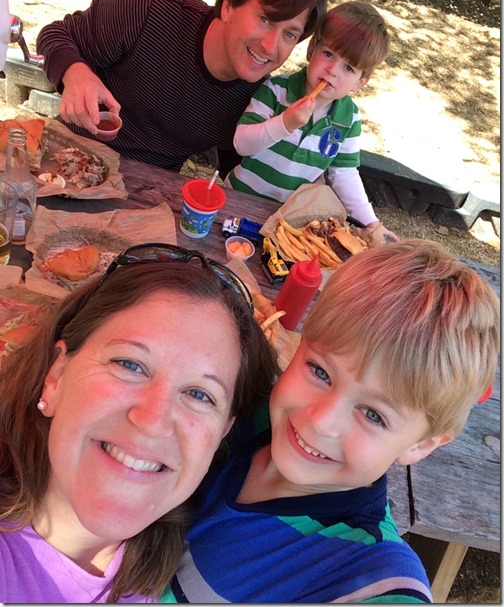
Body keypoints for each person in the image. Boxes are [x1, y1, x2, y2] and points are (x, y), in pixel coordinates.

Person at [161, 239, 500, 603]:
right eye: (320, 371)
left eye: (373, 414)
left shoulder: (368, 577)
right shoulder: (242, 405)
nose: (321, 421)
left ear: (423, 443)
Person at [0, 244, 279, 603]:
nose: (153, 422)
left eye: (200, 395)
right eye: (129, 364)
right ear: (56, 377)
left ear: (221, 435)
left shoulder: (188, 576)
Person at [36, 0, 327, 179]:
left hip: (146, 193)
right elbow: (55, 35)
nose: (271, 46)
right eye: (265, 19)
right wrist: (75, 73)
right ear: (228, 5)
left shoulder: (257, 100)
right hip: (62, 159)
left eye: (289, 34)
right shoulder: (148, 8)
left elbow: (240, 172)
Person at [227, 1, 397, 242]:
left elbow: (344, 173)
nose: (332, 70)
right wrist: (285, 123)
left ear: (360, 82)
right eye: (328, 54)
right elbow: (242, 144)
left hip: (288, 219)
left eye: (348, 68)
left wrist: (371, 223)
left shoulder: (348, 119)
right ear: (311, 50)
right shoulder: (277, 89)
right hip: (237, 199)